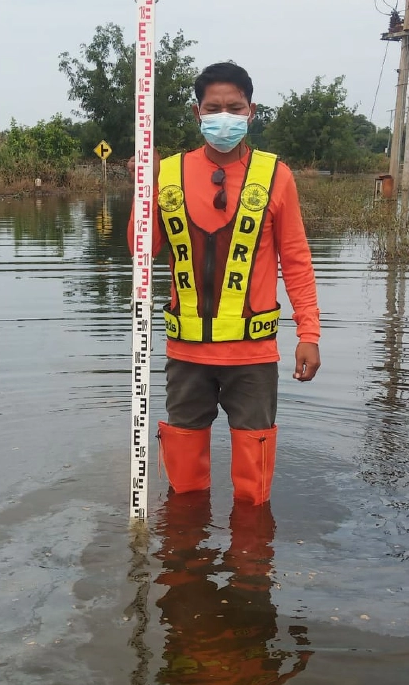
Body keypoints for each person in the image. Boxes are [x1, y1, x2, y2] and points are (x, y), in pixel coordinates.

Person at [132, 61, 322, 504]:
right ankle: (184, 564)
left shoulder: (276, 176)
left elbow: (295, 261)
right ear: (197, 113)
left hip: (252, 357)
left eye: (234, 108)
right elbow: (140, 251)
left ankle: (251, 566)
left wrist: (308, 334)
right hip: (187, 355)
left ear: (251, 111)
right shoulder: (169, 174)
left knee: (254, 495)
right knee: (184, 492)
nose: (224, 117)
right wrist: (142, 189)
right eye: (213, 107)